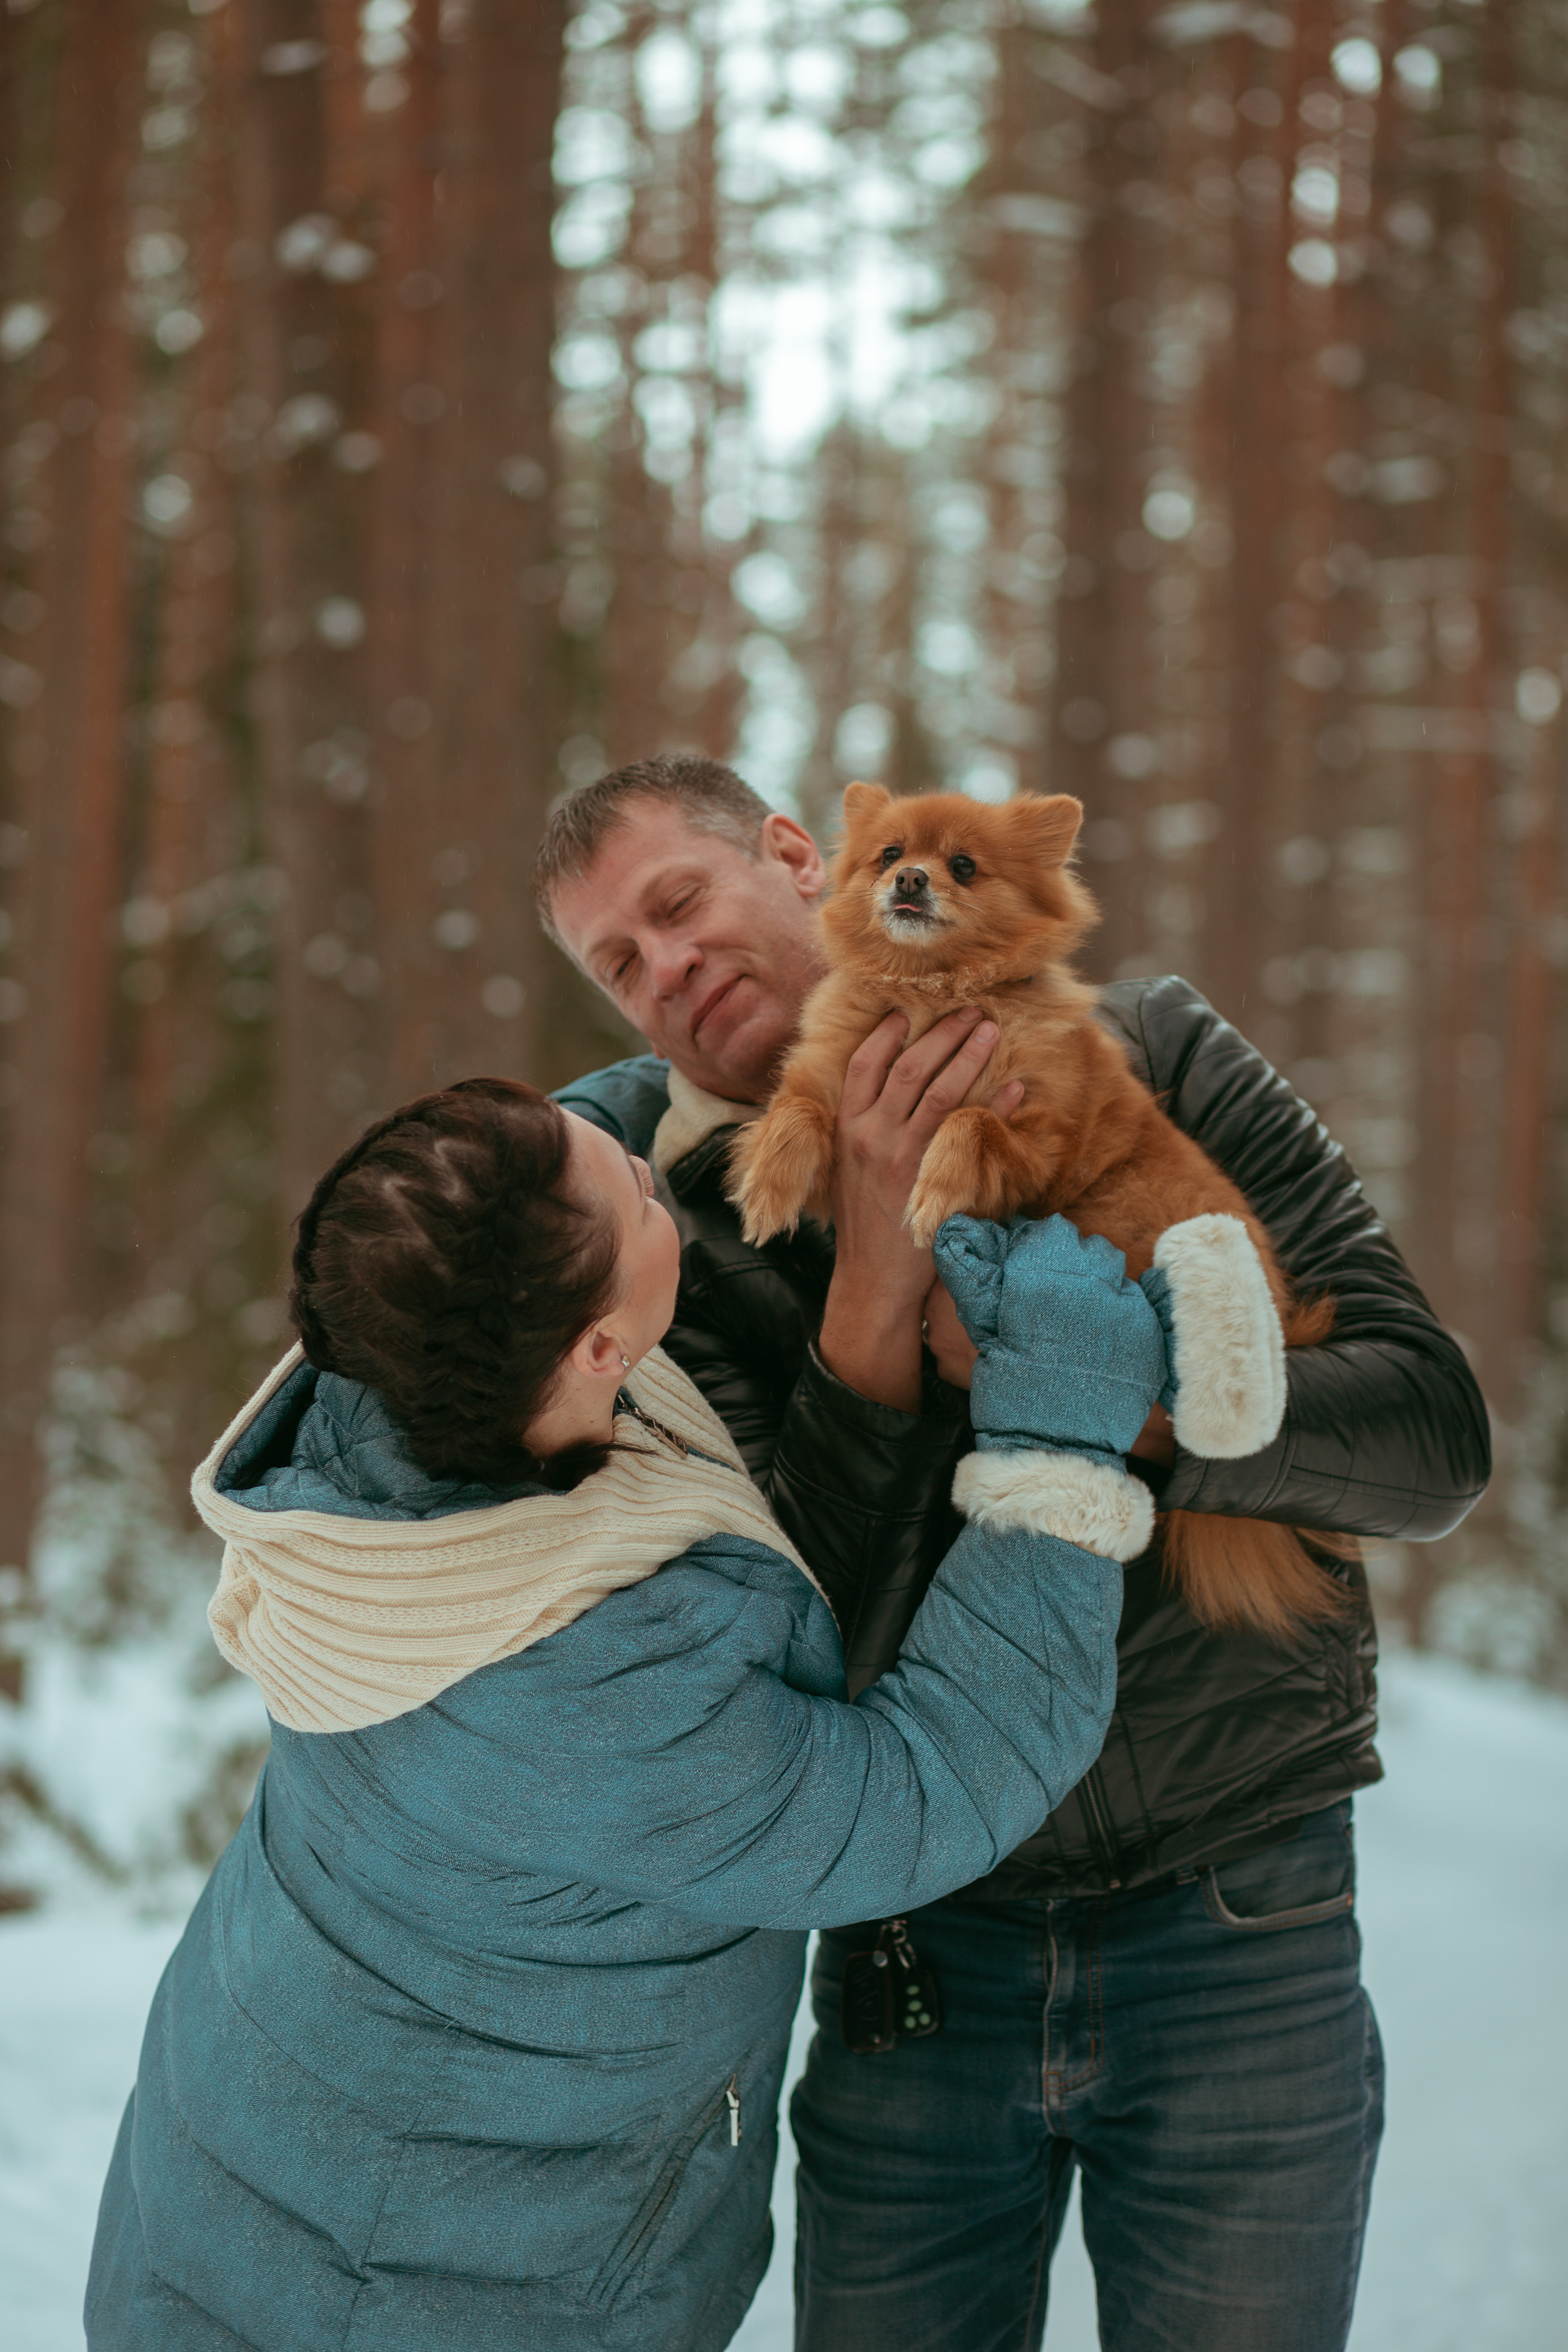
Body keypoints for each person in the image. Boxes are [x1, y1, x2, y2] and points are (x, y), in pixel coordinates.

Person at [536, 752, 1493, 2352]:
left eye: (679, 903)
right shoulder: (656, 1235)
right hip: (918, 1961)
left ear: (793, 853)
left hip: (1238, 1924)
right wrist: (868, 1281)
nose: (670, 970)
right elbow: (790, 1638)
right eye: (619, 965)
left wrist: (1115, 1392)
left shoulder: (1159, 1052)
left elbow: (1428, 1436)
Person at [86, 1074, 1180, 2352]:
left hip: (259, 2177)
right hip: (422, 2299)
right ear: (601, 1350)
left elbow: (506, 1192)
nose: (636, 1158)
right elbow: (924, 1786)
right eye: (642, 1191)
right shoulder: (577, 1695)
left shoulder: (416, 1365)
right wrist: (1059, 1437)